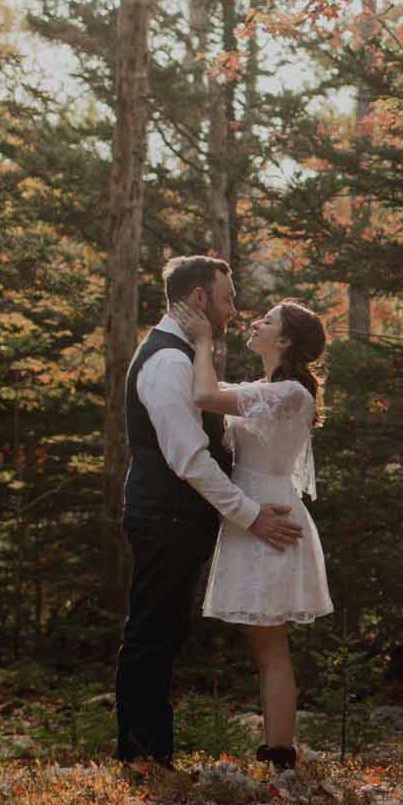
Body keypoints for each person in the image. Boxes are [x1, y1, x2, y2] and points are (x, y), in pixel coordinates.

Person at [113, 256, 302, 770]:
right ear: (199, 299)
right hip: (164, 517)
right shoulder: (170, 362)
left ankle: (149, 755)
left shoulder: (182, 356)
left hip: (175, 519)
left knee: (161, 632)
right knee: (152, 633)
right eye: (227, 297)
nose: (234, 310)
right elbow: (189, 457)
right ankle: (143, 758)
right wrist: (250, 515)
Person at [173, 296, 333, 767]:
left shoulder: (288, 394)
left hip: (270, 518)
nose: (255, 323)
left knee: (271, 645)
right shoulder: (270, 389)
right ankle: (278, 748)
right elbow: (207, 388)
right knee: (266, 645)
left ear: (282, 340)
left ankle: (281, 752)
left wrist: (203, 339)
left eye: (267, 321)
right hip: (255, 513)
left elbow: (205, 395)